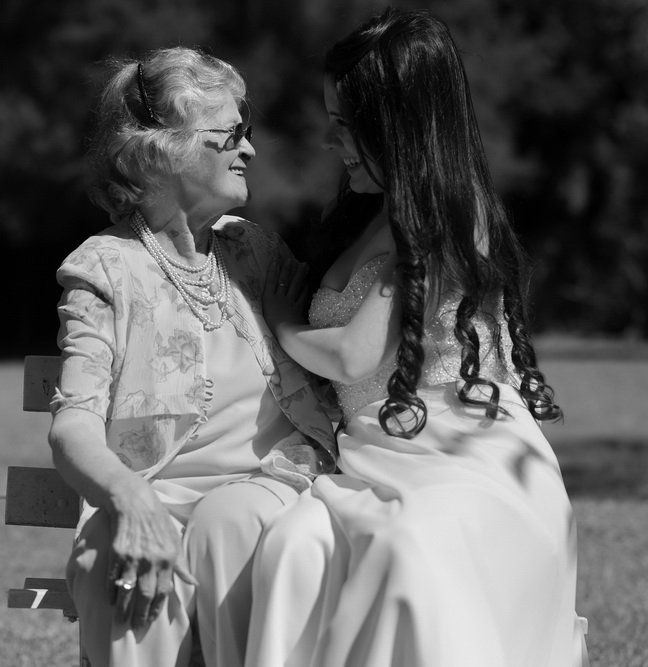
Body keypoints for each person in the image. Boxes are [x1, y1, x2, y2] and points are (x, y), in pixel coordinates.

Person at [246, 8, 589, 667]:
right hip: (377, 451)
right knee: (294, 548)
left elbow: (354, 352)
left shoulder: (442, 217)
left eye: (347, 124)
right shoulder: (370, 212)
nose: (330, 140)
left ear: (396, 127)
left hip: (455, 451)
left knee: (410, 551)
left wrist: (283, 319)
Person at [47, 46, 338, 667]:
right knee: (104, 553)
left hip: (269, 484)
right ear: (163, 151)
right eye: (231, 133)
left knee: (226, 525)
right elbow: (75, 419)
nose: (250, 149)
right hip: (151, 492)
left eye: (248, 132)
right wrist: (129, 498)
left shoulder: (255, 253)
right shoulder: (105, 267)